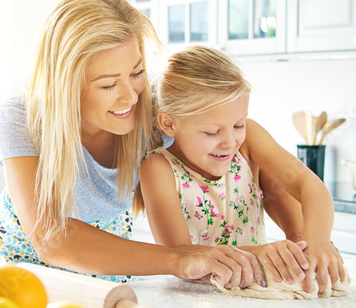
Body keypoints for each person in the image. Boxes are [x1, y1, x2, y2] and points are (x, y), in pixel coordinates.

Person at [0, 0, 265, 289]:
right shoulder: (21, 118)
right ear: (65, 86)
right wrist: (178, 259)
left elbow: (243, 145)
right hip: (23, 276)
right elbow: (50, 237)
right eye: (108, 85)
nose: (131, 96)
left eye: (136, 73)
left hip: (110, 270)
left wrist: (301, 243)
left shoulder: (155, 114)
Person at [138, 45, 345, 295]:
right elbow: (177, 253)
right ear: (169, 123)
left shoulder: (249, 140)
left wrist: (315, 241)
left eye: (237, 124)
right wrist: (261, 254)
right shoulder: (158, 168)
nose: (230, 142)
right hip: (197, 296)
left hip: (256, 290)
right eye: (212, 132)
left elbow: (308, 185)